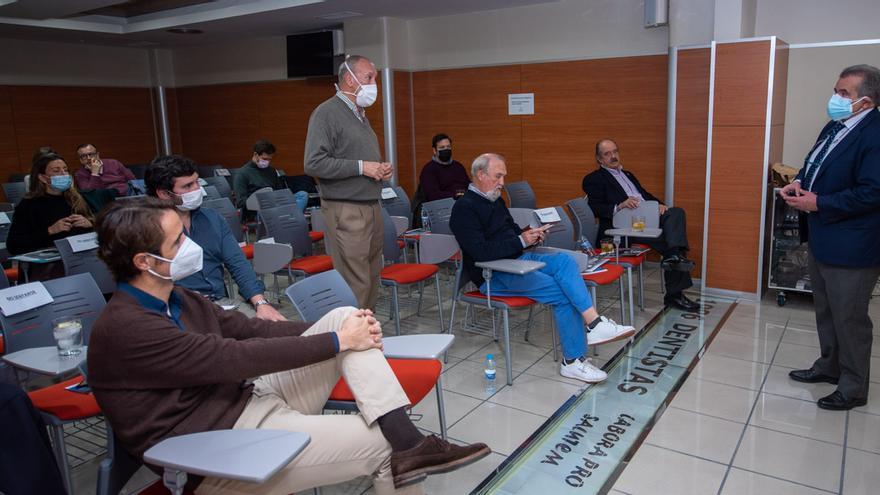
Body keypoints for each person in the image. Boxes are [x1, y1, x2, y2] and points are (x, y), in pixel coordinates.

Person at [88, 197, 489, 494]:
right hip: (211, 449)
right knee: (380, 443)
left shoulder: (177, 296)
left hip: (245, 405)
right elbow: (234, 359)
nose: (191, 245)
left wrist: (343, 333)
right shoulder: (127, 328)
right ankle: (402, 443)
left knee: (346, 316)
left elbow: (250, 332)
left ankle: (409, 442)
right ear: (144, 261)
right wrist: (336, 343)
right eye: (178, 241)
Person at [449, 153, 635, 383]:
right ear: (480, 175)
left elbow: (512, 231)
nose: (502, 183)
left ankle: (595, 323)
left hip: (518, 261)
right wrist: (521, 241)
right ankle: (573, 361)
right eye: (498, 176)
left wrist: (532, 235)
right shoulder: (464, 209)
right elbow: (480, 252)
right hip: (494, 273)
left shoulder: (495, 199)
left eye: (504, 176)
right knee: (562, 293)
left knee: (566, 262)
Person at [781, 64, 880, 411]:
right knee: (826, 309)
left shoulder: (875, 134)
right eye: (836, 90)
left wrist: (819, 202)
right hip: (824, 236)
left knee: (850, 317)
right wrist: (799, 183)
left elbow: (872, 192)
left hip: (853, 244)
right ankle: (829, 366)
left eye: (843, 94)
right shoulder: (834, 126)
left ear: (865, 101)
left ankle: (853, 387)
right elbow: (815, 164)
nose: (835, 98)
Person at [145, 154, 286, 321]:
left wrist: (260, 302)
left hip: (219, 304)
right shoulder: (146, 227)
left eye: (197, 182)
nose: (197, 189)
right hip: (175, 310)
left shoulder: (212, 218)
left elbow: (237, 263)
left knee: (277, 329)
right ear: (164, 193)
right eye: (187, 186)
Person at [304, 55, 392, 309]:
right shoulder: (327, 113)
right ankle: (351, 339)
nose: (374, 83)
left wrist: (378, 169)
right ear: (349, 80)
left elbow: (354, 158)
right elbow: (314, 163)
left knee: (372, 273)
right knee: (356, 280)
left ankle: (366, 333)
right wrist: (362, 167)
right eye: (369, 77)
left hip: (370, 204)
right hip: (346, 208)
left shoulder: (358, 114)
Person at [582, 139, 699, 311]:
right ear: (599, 159)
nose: (613, 156)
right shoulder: (594, 179)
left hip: (645, 220)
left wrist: (659, 205)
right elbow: (594, 208)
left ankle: (673, 258)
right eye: (607, 154)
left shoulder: (627, 174)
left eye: (615, 151)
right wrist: (620, 205)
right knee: (671, 244)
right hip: (624, 227)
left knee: (676, 213)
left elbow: (644, 195)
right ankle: (675, 292)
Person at [7, 153, 93, 280]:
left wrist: (89, 224)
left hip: (81, 259)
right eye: (56, 171)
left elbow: (98, 232)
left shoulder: (75, 198)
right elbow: (14, 245)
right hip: (49, 266)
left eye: (65, 170)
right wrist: (50, 231)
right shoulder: (29, 205)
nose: (64, 174)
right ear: (42, 178)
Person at [233, 139, 291, 215]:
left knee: (302, 195)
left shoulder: (271, 170)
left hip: (274, 204)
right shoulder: (242, 173)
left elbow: (279, 191)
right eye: (264, 159)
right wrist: (262, 202)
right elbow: (241, 202)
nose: (267, 162)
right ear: (255, 155)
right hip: (256, 209)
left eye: (269, 159)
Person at [419, 134, 470, 202]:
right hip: (442, 207)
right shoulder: (428, 170)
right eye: (442, 147)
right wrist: (456, 195)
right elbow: (433, 195)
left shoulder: (458, 166)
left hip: (464, 202)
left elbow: (468, 186)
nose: (446, 149)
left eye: (448, 147)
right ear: (434, 150)